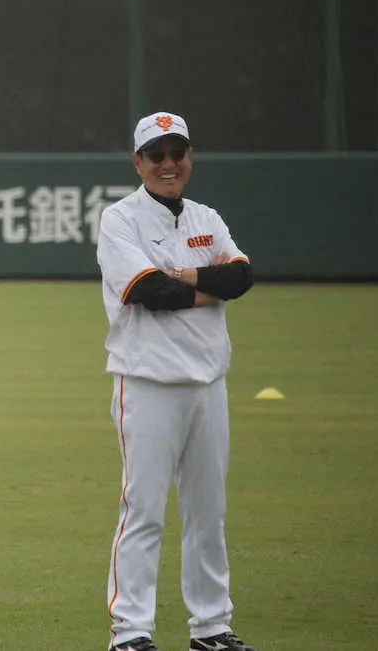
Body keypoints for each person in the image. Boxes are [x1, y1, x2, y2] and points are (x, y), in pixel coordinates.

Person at [95, 112, 256, 651]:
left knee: (208, 511)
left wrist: (185, 276)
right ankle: (131, 632)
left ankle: (211, 627)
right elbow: (145, 290)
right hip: (147, 381)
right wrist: (208, 285)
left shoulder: (206, 216)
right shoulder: (120, 220)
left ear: (189, 158)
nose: (169, 164)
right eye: (157, 154)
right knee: (143, 510)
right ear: (138, 162)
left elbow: (241, 276)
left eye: (177, 153)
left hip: (209, 382)